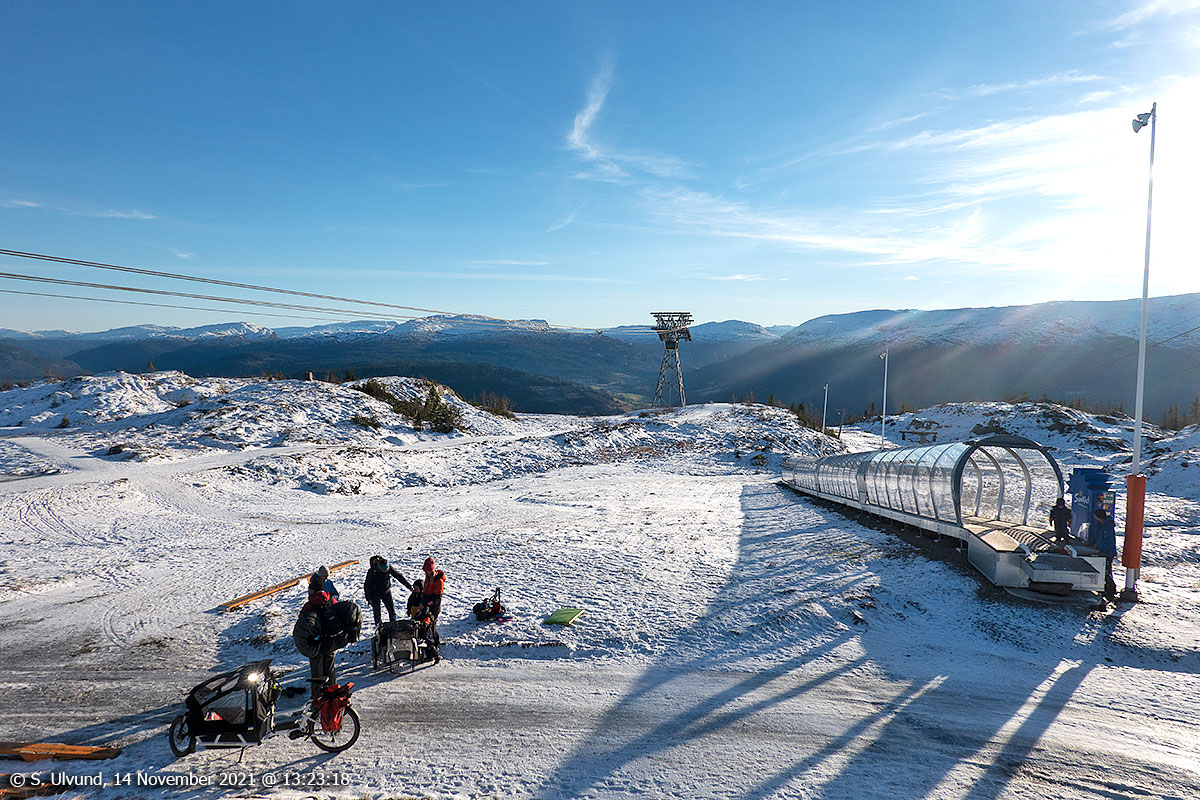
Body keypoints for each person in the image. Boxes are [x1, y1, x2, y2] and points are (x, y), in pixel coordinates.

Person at [293, 573, 341, 699]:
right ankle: (333, 697)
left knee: (317, 673)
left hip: (316, 643)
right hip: (331, 642)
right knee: (330, 670)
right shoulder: (332, 600)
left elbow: (302, 622)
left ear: (313, 590)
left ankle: (317, 699)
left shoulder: (309, 605)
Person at [363, 555, 413, 629]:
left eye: (387, 569)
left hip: (386, 592)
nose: (386, 571)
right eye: (384, 570)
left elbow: (398, 576)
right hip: (375, 593)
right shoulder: (372, 571)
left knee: (391, 611)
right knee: (377, 613)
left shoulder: (388, 567)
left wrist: (409, 586)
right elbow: (367, 585)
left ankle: (393, 627)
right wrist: (369, 599)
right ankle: (379, 628)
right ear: (380, 569)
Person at [1087, 508, 1118, 602]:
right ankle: (1106, 588)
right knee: (1104, 571)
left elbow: (1108, 541)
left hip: (1107, 553)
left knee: (1106, 571)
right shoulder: (1101, 525)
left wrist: (1101, 550)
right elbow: (1097, 537)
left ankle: (1111, 590)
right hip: (1103, 551)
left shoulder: (1107, 527)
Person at [420, 557, 446, 662]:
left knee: (430, 628)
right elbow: (425, 593)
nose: (425, 572)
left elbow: (436, 599)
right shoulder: (428, 578)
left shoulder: (438, 581)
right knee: (430, 627)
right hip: (427, 606)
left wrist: (427, 604)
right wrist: (422, 603)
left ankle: (433, 650)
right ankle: (434, 645)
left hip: (434, 608)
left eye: (427, 570)